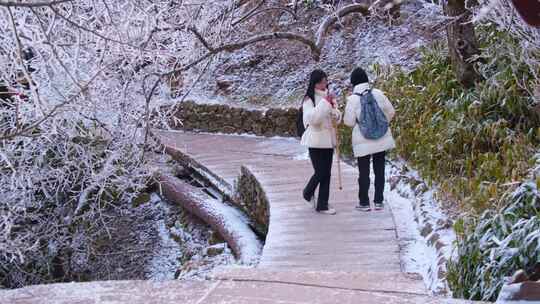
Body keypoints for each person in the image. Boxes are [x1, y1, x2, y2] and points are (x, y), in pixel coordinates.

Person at [343, 67, 396, 211]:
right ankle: (379, 201)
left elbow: (348, 122)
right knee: (379, 170)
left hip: (362, 141)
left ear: (353, 82)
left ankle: (364, 202)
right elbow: (391, 112)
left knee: (364, 172)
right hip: (381, 137)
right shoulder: (378, 93)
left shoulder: (353, 99)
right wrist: (380, 124)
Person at [301, 69, 341, 215]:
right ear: (316, 83)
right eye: (323, 81)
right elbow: (312, 119)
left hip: (329, 140)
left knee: (327, 173)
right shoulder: (309, 99)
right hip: (315, 140)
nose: (325, 84)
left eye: (326, 81)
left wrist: (336, 113)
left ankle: (322, 204)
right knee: (320, 171)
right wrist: (326, 103)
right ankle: (307, 192)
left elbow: (337, 116)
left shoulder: (328, 97)